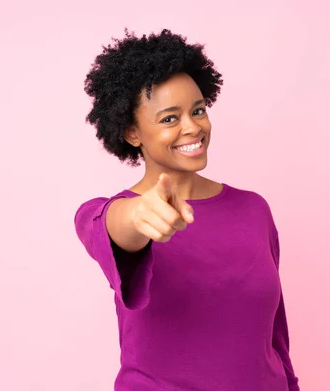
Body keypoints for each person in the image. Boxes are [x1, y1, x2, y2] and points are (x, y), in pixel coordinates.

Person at [74, 29, 301, 391]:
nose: (192, 127)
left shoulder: (253, 210)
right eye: (169, 118)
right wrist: (136, 216)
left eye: (198, 110)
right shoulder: (113, 214)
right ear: (133, 133)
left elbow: (276, 338)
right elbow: (107, 226)